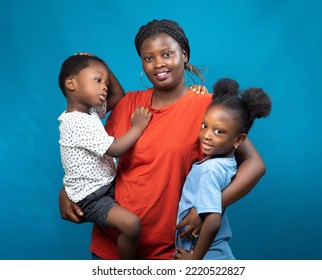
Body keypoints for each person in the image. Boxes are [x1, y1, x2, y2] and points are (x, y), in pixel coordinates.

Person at [59, 19, 266, 260]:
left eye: (167, 54)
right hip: (114, 247)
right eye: (149, 58)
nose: (158, 64)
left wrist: (207, 207)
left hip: (172, 251)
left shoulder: (208, 108)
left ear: (184, 55)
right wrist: (68, 190)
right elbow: (92, 153)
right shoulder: (128, 105)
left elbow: (255, 165)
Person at [58, 53, 152, 259]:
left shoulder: (88, 112)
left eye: (105, 82)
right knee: (132, 225)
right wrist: (138, 127)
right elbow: (116, 149)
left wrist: (103, 65)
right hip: (92, 197)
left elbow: (118, 96)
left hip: (104, 185)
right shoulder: (75, 123)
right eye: (98, 80)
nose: (105, 87)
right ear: (71, 84)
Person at [174, 78, 272, 260]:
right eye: (204, 126)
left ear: (238, 140)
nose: (206, 136)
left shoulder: (209, 170)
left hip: (209, 256)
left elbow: (212, 222)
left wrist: (194, 260)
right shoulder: (226, 164)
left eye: (218, 131)